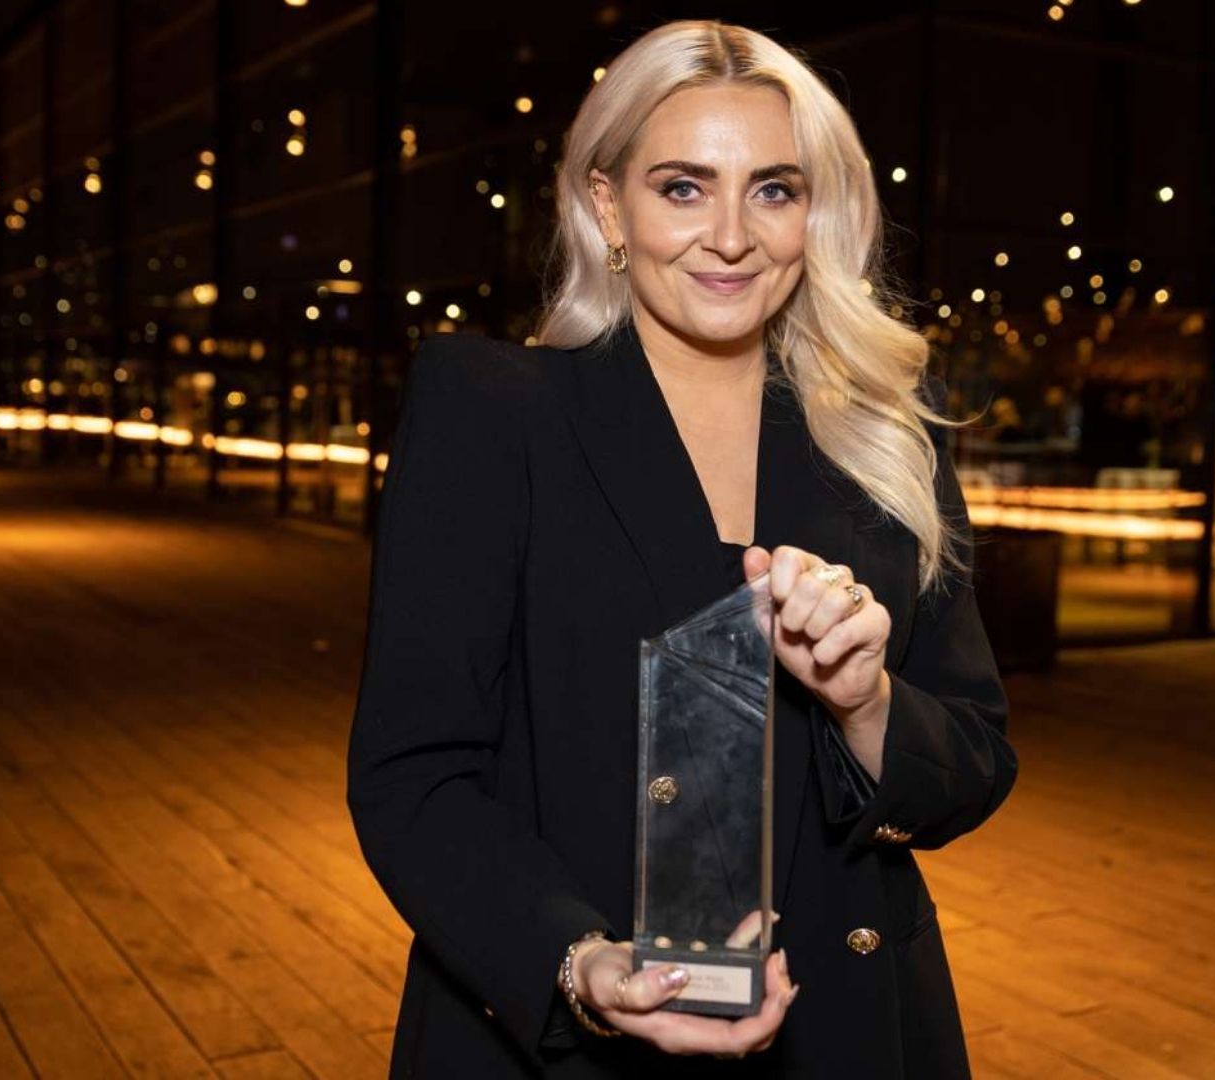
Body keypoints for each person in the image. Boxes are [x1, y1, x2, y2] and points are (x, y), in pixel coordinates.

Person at [346, 20, 1017, 1078]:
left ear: (815, 213)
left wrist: (866, 703)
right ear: (608, 204)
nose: (732, 236)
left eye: (774, 190)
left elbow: (974, 766)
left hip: (844, 1035)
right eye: (683, 187)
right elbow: (414, 778)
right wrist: (578, 962)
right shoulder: (495, 415)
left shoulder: (883, 435)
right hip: (559, 1042)